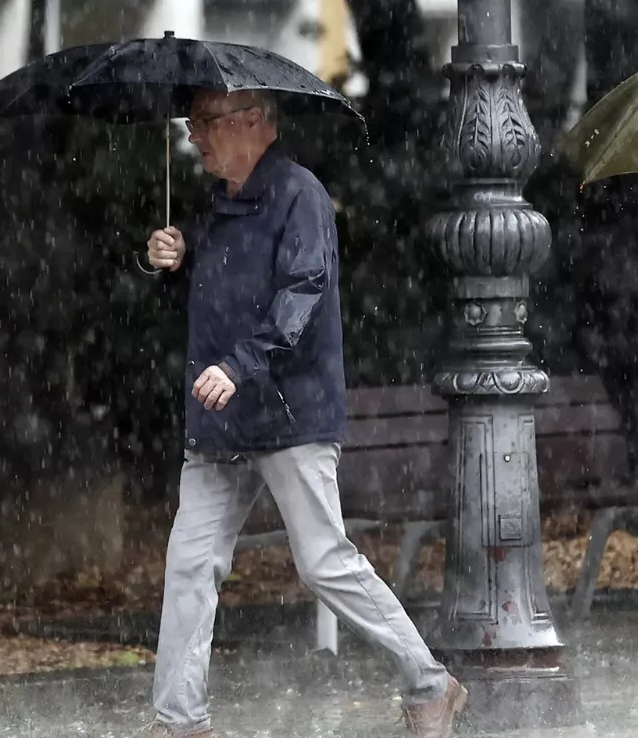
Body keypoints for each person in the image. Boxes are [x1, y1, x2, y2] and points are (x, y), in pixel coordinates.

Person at [139, 88, 467, 738]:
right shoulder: (214, 205)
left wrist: (238, 366)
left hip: (288, 413)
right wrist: (172, 264)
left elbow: (302, 296)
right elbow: (220, 295)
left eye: (207, 123)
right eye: (192, 123)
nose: (196, 136)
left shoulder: (300, 195)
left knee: (323, 561)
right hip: (221, 421)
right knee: (188, 563)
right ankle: (179, 723)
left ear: (255, 121)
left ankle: (431, 684)